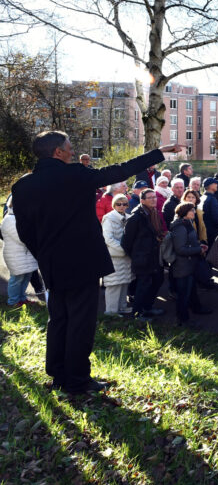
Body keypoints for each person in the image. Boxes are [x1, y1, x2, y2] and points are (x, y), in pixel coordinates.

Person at [11, 131, 180, 393]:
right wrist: (159, 153)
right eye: (69, 147)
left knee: (58, 318)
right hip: (83, 261)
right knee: (80, 321)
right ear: (58, 152)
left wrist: (43, 253)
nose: (72, 151)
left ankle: (58, 373)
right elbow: (120, 170)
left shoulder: (22, 186)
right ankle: (77, 379)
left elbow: (25, 231)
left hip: (51, 262)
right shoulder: (76, 174)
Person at [122, 188, 166, 321]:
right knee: (143, 285)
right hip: (143, 258)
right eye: (150, 198)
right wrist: (137, 255)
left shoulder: (154, 213)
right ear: (142, 200)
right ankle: (137, 314)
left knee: (158, 280)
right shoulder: (136, 217)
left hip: (155, 256)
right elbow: (126, 242)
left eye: (154, 197)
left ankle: (147, 307)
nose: (154, 199)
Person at [169, 202, 207, 327]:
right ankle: (182, 320)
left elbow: (189, 242)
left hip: (189, 264)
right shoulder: (180, 227)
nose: (194, 212)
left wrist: (199, 245)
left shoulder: (187, 223)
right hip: (182, 266)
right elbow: (180, 249)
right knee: (183, 294)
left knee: (190, 291)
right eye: (191, 210)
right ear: (184, 212)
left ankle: (194, 310)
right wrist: (198, 249)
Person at [1, 197, 40, 308]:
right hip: (15, 255)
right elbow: (22, 238)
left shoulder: (22, 217)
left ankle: (22, 298)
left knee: (26, 278)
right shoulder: (9, 219)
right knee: (16, 279)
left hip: (26, 255)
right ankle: (13, 301)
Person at [101, 194, 133, 317]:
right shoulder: (108, 218)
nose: (122, 206)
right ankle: (111, 312)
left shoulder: (129, 217)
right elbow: (108, 238)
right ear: (114, 205)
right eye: (119, 204)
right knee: (114, 284)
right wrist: (123, 249)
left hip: (126, 256)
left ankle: (122, 307)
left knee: (124, 282)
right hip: (114, 255)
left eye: (124, 204)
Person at [201, 177, 218, 244]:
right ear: (210, 186)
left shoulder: (201, 198)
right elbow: (217, 218)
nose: (217, 185)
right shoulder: (212, 200)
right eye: (215, 183)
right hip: (212, 233)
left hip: (203, 232)